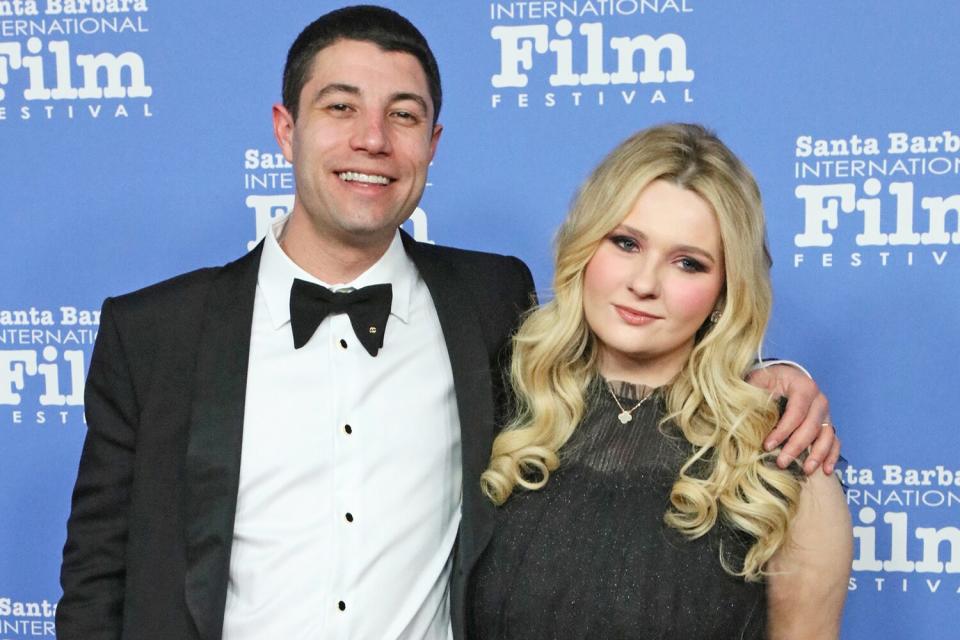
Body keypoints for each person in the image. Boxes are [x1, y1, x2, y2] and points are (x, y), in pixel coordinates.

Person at [56, 6, 838, 640]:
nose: (372, 140)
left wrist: (779, 379)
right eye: (340, 108)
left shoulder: (492, 304)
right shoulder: (153, 333)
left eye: (403, 115)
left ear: (432, 145)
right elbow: (95, 584)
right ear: (285, 128)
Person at [471, 124, 853, 639]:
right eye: (626, 243)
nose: (645, 284)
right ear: (585, 248)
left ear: (725, 291)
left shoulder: (782, 455)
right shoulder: (498, 400)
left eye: (687, 263)